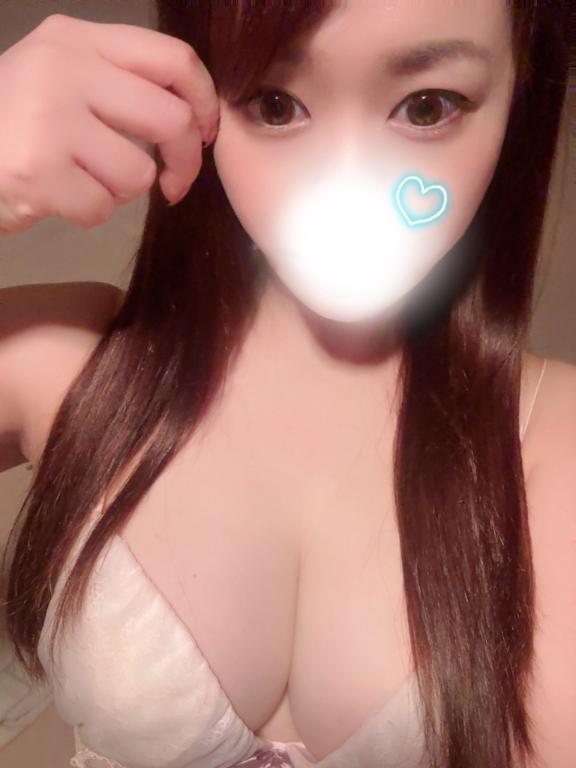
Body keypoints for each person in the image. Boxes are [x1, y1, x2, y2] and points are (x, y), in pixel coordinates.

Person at [0, 2, 573, 767]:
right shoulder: (66, 361)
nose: (347, 184)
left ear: (519, 95)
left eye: (427, 107)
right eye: (276, 105)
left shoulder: (558, 445)